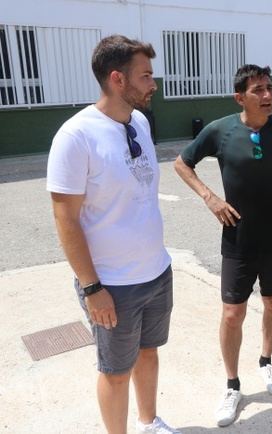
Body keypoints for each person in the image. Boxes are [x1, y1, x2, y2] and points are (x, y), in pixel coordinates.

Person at [46, 35, 179, 434]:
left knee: (149, 354)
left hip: (156, 272)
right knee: (116, 372)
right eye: (146, 76)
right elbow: (65, 219)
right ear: (118, 79)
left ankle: (148, 422)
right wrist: (91, 288)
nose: (154, 84)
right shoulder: (76, 137)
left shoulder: (138, 121)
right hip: (112, 285)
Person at [174, 64, 272, 427]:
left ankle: (266, 362)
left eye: (269, 88)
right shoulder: (220, 130)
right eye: (257, 90)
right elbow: (181, 163)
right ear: (240, 97)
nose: (267, 96)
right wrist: (210, 198)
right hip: (238, 236)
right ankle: (232, 385)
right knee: (233, 312)